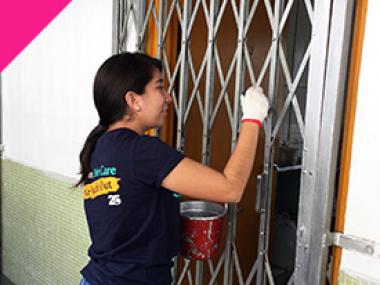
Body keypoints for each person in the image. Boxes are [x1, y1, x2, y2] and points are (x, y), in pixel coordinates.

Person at [77, 52, 269, 285]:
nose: (168, 98)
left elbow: (126, 213)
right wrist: (252, 118)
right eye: (159, 88)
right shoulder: (142, 151)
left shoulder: (99, 147)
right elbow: (231, 188)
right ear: (134, 100)